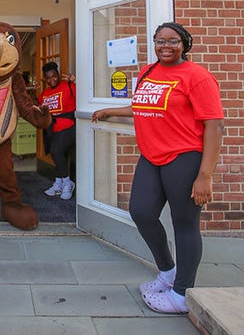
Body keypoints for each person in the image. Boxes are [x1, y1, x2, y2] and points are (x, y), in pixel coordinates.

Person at [92, 22, 224, 314]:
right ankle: (167, 272)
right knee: (141, 211)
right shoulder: (148, 72)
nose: (166, 46)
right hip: (151, 157)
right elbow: (143, 105)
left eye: (173, 41)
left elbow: (215, 125)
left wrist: (205, 176)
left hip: (184, 157)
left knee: (184, 224)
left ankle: (181, 294)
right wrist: (110, 110)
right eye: (160, 41)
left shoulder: (198, 77)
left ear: (184, 44)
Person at [38, 61, 76, 200]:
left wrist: (75, 80)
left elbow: (84, 96)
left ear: (58, 75)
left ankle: (67, 182)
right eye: (48, 78)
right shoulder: (44, 94)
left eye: (54, 76)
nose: (51, 80)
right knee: (57, 154)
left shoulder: (69, 86)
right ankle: (59, 182)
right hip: (52, 129)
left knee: (56, 151)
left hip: (68, 125)